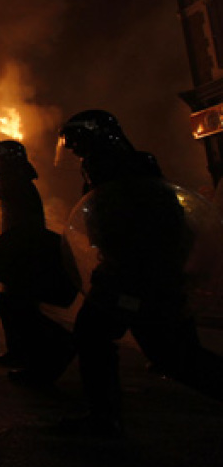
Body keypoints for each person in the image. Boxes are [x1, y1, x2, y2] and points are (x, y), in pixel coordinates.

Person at [56, 110, 223, 437]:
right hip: (131, 272)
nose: (74, 150)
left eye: (78, 142)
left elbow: (139, 227)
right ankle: (104, 416)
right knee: (156, 349)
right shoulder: (121, 165)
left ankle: (104, 418)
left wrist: (127, 264)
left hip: (136, 275)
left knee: (171, 355)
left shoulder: (118, 168)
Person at [0, 140, 74, 385]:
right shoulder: (19, 180)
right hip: (21, 249)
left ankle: (35, 358)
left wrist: (7, 252)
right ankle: (21, 353)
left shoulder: (14, 183)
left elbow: (18, 223)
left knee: (19, 308)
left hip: (22, 251)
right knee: (13, 305)